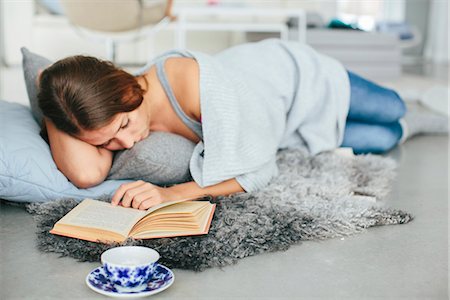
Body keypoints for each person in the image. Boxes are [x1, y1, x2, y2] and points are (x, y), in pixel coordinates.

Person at [37, 39, 447, 210]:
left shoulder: (197, 90)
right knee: (387, 136)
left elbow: (260, 169)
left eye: (125, 124)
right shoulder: (106, 115)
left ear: (126, 85)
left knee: (391, 106)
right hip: (282, 123)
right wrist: (51, 100)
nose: (129, 141)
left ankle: (426, 109)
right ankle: (420, 124)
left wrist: (174, 195)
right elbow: (86, 173)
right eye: (108, 143)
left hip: (298, 78)